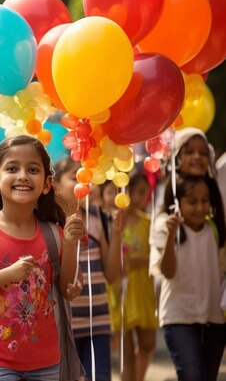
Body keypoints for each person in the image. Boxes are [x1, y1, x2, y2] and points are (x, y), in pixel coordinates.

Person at [0, 135, 84, 381]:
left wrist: (69, 243)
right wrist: (8, 275)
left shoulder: (53, 233)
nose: (23, 175)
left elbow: (67, 289)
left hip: (45, 360)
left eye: (32, 169)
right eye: (12, 168)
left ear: (46, 184)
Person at [150, 174, 226, 381]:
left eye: (205, 201)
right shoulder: (166, 227)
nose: (200, 207)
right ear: (177, 203)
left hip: (214, 318)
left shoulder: (214, 228)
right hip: (178, 317)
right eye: (192, 202)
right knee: (192, 375)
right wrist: (172, 235)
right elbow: (167, 271)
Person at [55, 158, 122, 381]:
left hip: (98, 323)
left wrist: (118, 231)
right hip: (62, 326)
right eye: (75, 178)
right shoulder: (49, 223)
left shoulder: (100, 219)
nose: (84, 184)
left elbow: (112, 276)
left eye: (87, 179)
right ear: (55, 185)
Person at [113, 171, 157, 381]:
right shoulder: (114, 222)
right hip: (121, 293)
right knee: (126, 352)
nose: (140, 197)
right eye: (135, 191)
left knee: (148, 344)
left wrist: (136, 261)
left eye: (144, 192)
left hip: (143, 291)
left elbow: (157, 258)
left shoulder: (148, 223)